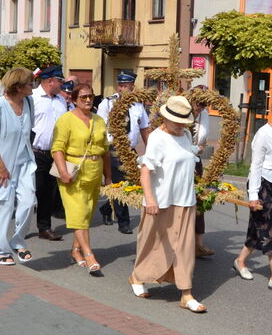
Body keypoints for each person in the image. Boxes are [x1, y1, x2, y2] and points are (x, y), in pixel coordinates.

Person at [129, 96, 206, 313]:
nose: (181, 125)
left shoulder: (186, 135)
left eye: (184, 121)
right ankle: (137, 276)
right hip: (160, 201)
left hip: (185, 200)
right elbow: (146, 170)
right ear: (165, 117)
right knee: (151, 243)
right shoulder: (157, 137)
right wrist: (150, 199)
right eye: (177, 121)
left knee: (184, 249)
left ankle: (186, 293)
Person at [233, 96, 272, 292]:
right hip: (262, 185)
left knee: (257, 228)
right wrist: (253, 195)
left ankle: (240, 261)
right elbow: (256, 166)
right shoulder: (264, 134)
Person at [0, 68, 37, 266]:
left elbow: (28, 132)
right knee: (2, 207)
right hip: (1, 166)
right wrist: (1, 167)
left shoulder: (29, 102)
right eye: (30, 84)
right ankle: (1, 250)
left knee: (28, 202)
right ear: (18, 87)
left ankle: (18, 241)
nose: (33, 87)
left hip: (24, 163)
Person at [51, 83, 111, 276]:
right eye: (83, 97)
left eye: (90, 97)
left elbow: (106, 151)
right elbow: (57, 148)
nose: (87, 100)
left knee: (87, 215)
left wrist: (108, 176)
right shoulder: (66, 120)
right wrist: (63, 172)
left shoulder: (99, 120)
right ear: (74, 99)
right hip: (73, 171)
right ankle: (89, 254)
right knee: (78, 213)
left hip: (94, 170)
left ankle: (75, 250)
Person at [97, 72, 150, 234]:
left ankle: (107, 208)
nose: (122, 89)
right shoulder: (107, 103)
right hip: (113, 149)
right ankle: (123, 222)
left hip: (130, 150)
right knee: (121, 184)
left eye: (126, 86)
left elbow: (144, 129)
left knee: (133, 182)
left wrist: (152, 149)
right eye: (120, 85)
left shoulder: (138, 105)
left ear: (132, 86)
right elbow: (100, 127)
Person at [31, 65, 68, 241]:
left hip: (55, 153)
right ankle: (18, 225)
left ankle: (44, 228)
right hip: (35, 152)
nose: (62, 84)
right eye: (60, 81)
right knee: (35, 190)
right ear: (50, 81)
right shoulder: (32, 98)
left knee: (49, 192)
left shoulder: (61, 101)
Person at [191, 89, 215, 258]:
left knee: (199, 201)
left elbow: (203, 138)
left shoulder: (204, 114)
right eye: (198, 103)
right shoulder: (182, 111)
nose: (201, 107)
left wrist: (200, 147)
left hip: (196, 161)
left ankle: (198, 244)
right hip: (180, 163)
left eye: (204, 104)